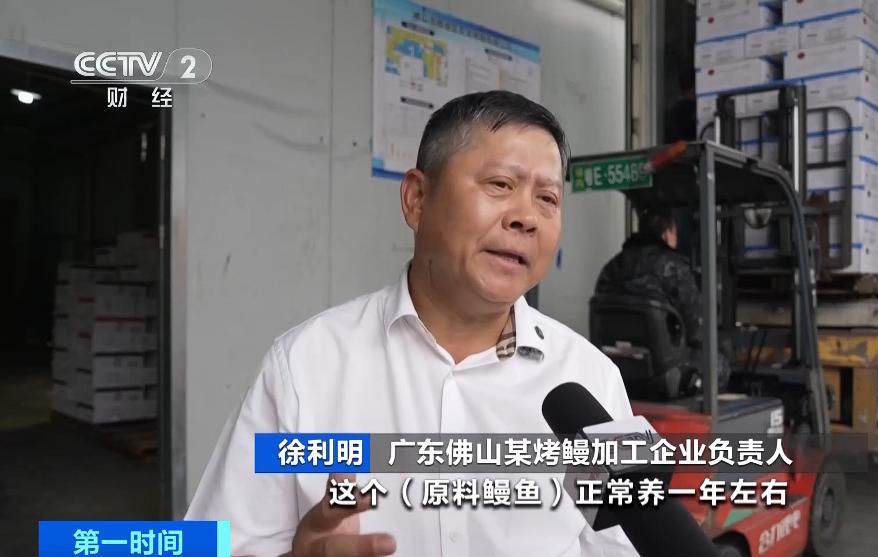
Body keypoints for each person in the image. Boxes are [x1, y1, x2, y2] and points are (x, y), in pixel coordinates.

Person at [185, 91, 639, 557]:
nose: (526, 217)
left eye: (548, 198)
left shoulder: (593, 379)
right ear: (417, 199)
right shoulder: (303, 367)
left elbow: (628, 547)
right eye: (500, 184)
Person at [595, 208, 730, 389]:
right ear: (667, 234)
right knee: (720, 358)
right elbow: (696, 328)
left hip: (616, 365)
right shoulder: (673, 267)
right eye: (675, 233)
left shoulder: (611, 267)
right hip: (665, 370)